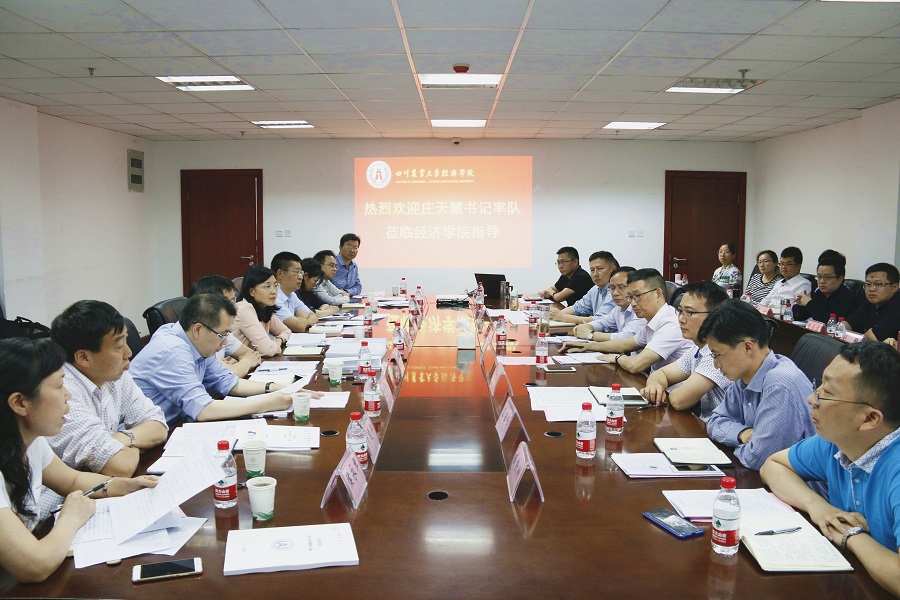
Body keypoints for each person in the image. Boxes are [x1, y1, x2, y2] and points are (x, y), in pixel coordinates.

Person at [0, 337, 157, 582]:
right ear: (20, 402)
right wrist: (70, 518)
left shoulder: (30, 440)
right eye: (59, 386)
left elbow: (71, 480)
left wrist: (125, 486)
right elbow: (35, 566)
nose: (68, 395)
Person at [760, 342, 900, 597]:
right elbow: (773, 466)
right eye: (819, 386)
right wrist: (819, 507)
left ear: (869, 418)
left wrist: (851, 535)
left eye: (826, 394)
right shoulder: (837, 441)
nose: (811, 399)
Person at [130, 293, 293, 426]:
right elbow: (203, 410)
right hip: (145, 439)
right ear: (198, 329)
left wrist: (277, 388)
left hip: (176, 423)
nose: (226, 342)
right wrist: (266, 404)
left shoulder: (195, 343)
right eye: (222, 334)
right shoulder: (172, 349)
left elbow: (228, 382)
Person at [47, 300, 167, 477]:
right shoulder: (63, 393)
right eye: (118, 347)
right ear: (83, 358)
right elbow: (120, 467)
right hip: (69, 493)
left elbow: (158, 427)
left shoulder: (114, 374)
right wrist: (133, 444)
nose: (128, 353)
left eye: (126, 340)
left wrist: (122, 439)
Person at [702, 299, 814, 470]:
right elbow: (714, 421)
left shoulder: (780, 384)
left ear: (747, 347)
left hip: (801, 483)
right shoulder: (744, 377)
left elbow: (758, 459)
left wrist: (738, 444)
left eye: (717, 355)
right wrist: (742, 434)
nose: (716, 365)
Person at [564, 268, 693, 374]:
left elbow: (636, 365)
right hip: (655, 386)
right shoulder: (652, 321)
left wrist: (617, 357)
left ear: (658, 294)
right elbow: (625, 344)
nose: (633, 303)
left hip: (672, 392)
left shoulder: (671, 324)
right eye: (631, 297)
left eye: (638, 296)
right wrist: (586, 346)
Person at [640, 281, 732, 420]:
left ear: (714, 316)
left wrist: (664, 390)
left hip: (720, 430)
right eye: (680, 311)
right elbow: (661, 373)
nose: (681, 319)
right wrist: (655, 385)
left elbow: (679, 401)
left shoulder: (716, 355)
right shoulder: (698, 348)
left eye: (689, 312)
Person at [189, 275, 262, 377]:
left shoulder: (222, 332)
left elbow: (253, 355)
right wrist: (240, 365)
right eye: (229, 304)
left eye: (234, 301)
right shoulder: (198, 338)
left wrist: (235, 366)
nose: (236, 308)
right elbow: (224, 376)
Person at [572, 267, 646, 342]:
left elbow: (626, 338)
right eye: (612, 288)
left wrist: (590, 334)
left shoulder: (641, 309)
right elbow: (602, 322)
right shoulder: (618, 309)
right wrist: (588, 326)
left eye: (621, 287)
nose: (615, 293)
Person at [233, 266, 291, 357]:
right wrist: (276, 343)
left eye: (275, 286)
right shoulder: (244, 310)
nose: (274, 291)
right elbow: (268, 350)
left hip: (254, 361)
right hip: (235, 363)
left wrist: (279, 339)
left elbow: (286, 331)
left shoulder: (264, 307)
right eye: (267, 286)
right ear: (252, 291)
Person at [549, 251, 618, 325]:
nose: (595, 274)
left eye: (600, 269)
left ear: (613, 269)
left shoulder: (616, 291)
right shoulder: (595, 289)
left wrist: (562, 316)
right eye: (592, 270)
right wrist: (554, 314)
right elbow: (577, 308)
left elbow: (600, 320)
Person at [793, 251, 860, 323]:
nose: (821, 281)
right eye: (819, 277)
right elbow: (798, 317)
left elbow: (830, 322)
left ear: (840, 278)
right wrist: (800, 304)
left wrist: (809, 303)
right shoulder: (819, 293)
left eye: (827, 277)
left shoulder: (847, 298)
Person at [846, 263, 900, 342]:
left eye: (878, 284)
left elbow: (872, 337)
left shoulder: (897, 306)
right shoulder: (869, 303)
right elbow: (849, 323)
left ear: (894, 287)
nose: (871, 289)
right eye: (868, 284)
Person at [271, 251, 318, 333]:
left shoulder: (292, 294)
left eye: (301, 272)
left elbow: (313, 316)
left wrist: (301, 322)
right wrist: (302, 315)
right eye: (296, 272)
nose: (300, 277)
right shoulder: (273, 297)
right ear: (280, 274)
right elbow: (299, 327)